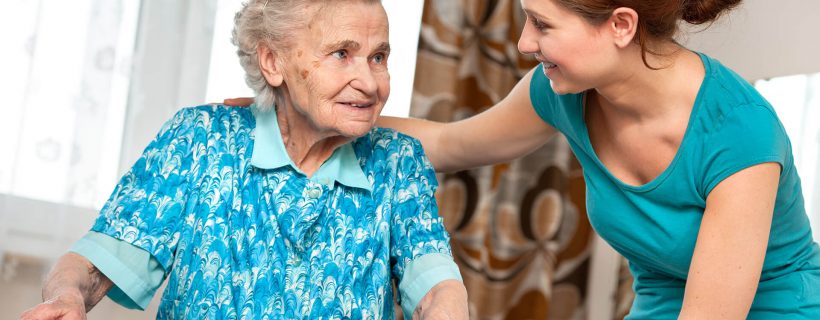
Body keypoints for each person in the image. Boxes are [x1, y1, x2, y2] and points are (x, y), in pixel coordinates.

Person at [225, 0, 820, 318]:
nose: (524, 43)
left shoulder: (739, 138)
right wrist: (315, 111)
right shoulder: (562, 92)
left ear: (619, 26)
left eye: (541, 24)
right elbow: (452, 143)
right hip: (663, 303)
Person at [20, 0, 469, 319]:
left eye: (378, 57)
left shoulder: (398, 162)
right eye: (341, 54)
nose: (370, 83)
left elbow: (432, 281)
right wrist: (66, 299)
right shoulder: (200, 140)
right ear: (273, 62)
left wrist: (448, 307)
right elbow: (98, 262)